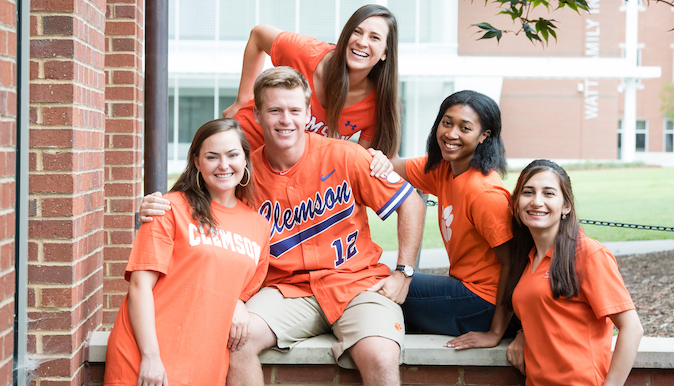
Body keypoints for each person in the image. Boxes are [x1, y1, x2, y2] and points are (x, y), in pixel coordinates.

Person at [140, 67, 425, 386]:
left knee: (381, 356)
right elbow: (196, 200)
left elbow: (409, 200)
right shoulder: (242, 174)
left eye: (294, 110)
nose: (285, 120)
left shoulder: (347, 156)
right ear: (258, 116)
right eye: (274, 110)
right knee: (237, 341)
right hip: (284, 290)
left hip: (356, 284)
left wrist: (404, 272)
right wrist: (156, 204)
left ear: (307, 115)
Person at [104, 119, 271, 386]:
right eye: (212, 156)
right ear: (196, 162)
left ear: (245, 159)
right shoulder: (168, 208)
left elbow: (243, 288)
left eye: (232, 155)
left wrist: (239, 303)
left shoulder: (259, 227)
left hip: (205, 364)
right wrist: (150, 357)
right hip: (147, 358)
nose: (224, 165)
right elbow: (139, 286)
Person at [388, 90, 518, 349]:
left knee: (383, 284)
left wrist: (494, 333)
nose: (451, 134)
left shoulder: (485, 193)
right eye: (447, 123)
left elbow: (514, 266)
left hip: (485, 303)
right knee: (382, 285)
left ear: (484, 136)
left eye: (465, 128)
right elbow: (392, 164)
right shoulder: (444, 169)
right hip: (464, 289)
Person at [504, 159, 642, 385]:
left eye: (548, 193)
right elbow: (547, 312)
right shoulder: (527, 258)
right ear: (516, 203)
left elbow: (632, 328)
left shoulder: (588, 254)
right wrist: (523, 333)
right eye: (528, 192)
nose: (537, 201)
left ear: (566, 206)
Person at [223, 4, 400, 174]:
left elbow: (355, 167)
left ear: (385, 52)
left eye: (374, 37)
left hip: (289, 173)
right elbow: (258, 34)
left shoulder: (376, 105)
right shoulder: (306, 52)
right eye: (357, 31)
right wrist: (242, 100)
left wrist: (379, 159)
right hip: (244, 146)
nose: (362, 42)